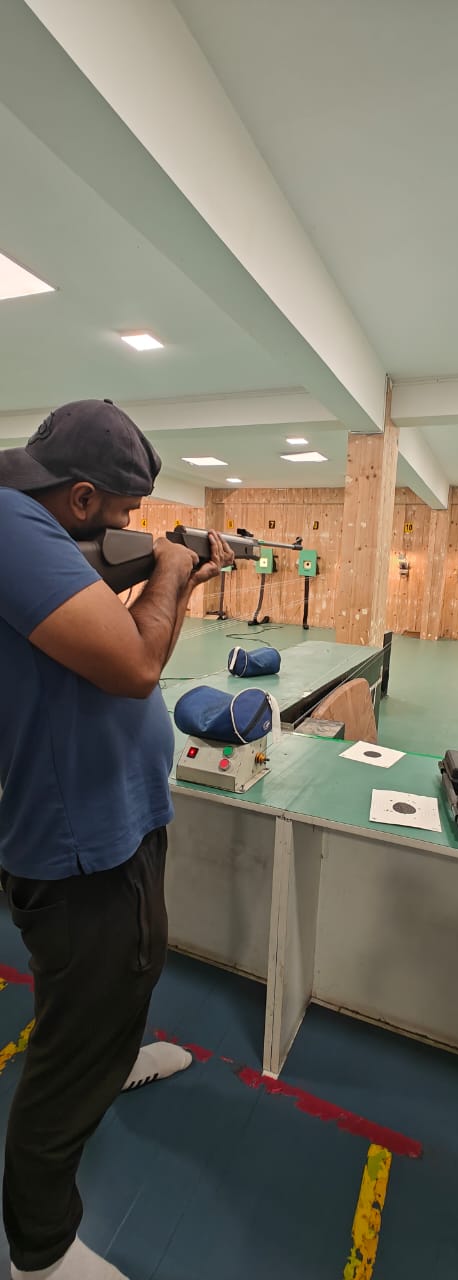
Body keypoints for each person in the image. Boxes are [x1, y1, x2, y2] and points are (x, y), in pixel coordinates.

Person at [0, 400, 234, 1279]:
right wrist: (168, 572)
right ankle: (39, 1253)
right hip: (81, 842)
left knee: (122, 977)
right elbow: (136, 667)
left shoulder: (38, 530)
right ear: (83, 498)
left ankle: (119, 1050)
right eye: (127, 515)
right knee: (67, 1060)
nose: (136, 527)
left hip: (117, 819)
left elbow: (101, 642)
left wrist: (174, 580)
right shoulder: (10, 526)